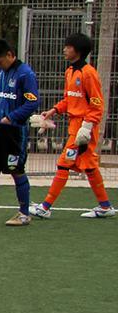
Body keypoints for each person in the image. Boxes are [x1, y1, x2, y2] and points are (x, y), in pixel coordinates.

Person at [31, 32, 116, 219]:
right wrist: (53, 110)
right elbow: (69, 100)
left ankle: (45, 207)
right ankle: (105, 206)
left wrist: (86, 127)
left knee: (63, 164)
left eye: (68, 46)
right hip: (74, 126)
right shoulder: (70, 71)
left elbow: (97, 104)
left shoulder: (89, 74)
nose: (64, 49)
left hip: (84, 128)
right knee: (90, 166)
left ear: (77, 51)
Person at [0, 39, 40, 226]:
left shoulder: (26, 74)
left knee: (16, 170)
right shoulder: (0, 73)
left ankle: (24, 213)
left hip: (15, 132)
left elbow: (32, 102)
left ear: (10, 54)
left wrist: (11, 118)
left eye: (0, 61)